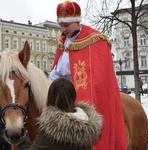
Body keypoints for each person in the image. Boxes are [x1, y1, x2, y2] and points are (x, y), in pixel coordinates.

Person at [48, 0, 127, 149]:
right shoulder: (62, 41)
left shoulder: (96, 40)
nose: (63, 29)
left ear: (77, 22)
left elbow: (100, 80)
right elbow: (56, 72)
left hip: (84, 97)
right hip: (63, 94)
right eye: (61, 25)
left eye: (66, 25)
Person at [17, 77, 103, 150]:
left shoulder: (50, 128)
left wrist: (23, 137)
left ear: (51, 97)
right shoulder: (87, 126)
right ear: (73, 96)